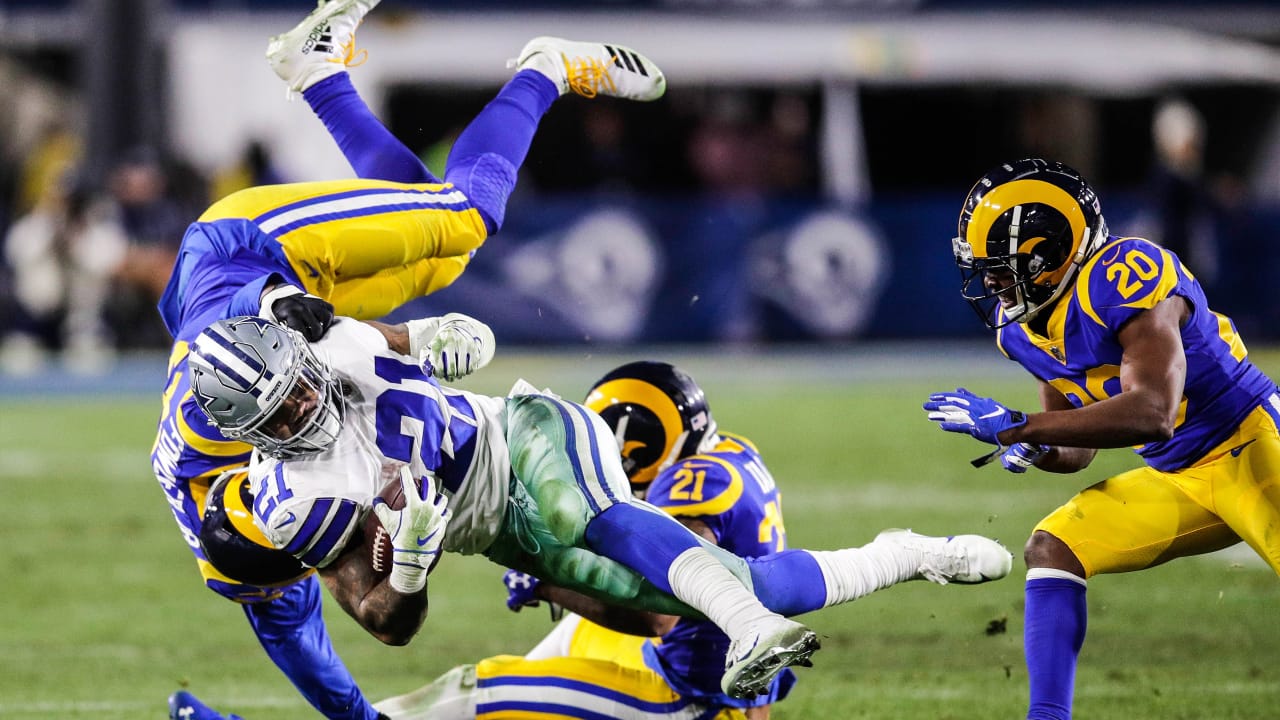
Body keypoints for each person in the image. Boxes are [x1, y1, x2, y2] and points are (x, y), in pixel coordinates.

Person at [158, 0, 671, 718]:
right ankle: (318, 77)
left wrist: (282, 307)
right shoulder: (256, 558)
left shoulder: (212, 405)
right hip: (298, 311)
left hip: (251, 254)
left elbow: (212, 307)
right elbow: (304, 646)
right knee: (445, 254)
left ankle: (547, 69)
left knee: (464, 212)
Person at [185, 313, 1013, 706]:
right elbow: (388, 623)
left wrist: (447, 333)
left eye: (296, 385)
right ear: (247, 433)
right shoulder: (296, 503)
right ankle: (906, 553)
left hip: (526, 438)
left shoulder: (329, 343)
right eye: (280, 414)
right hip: (505, 536)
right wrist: (406, 561)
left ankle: (755, 634)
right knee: (740, 585)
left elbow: (412, 339)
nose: (303, 407)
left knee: (598, 519)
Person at [365, 360, 1014, 720]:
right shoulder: (733, 452)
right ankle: (900, 553)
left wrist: (547, 579)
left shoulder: (689, 480)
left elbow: (658, 609)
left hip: (690, 698)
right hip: (735, 681)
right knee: (571, 634)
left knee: (463, 698)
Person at [922, 157, 1280, 720]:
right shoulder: (1020, 330)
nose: (991, 281)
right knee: (1055, 546)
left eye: (1003, 266)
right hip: (1180, 475)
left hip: (1253, 443)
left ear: (1050, 254)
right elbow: (1077, 450)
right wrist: (1036, 445)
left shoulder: (1126, 273)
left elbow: (1153, 412)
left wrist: (1020, 425)